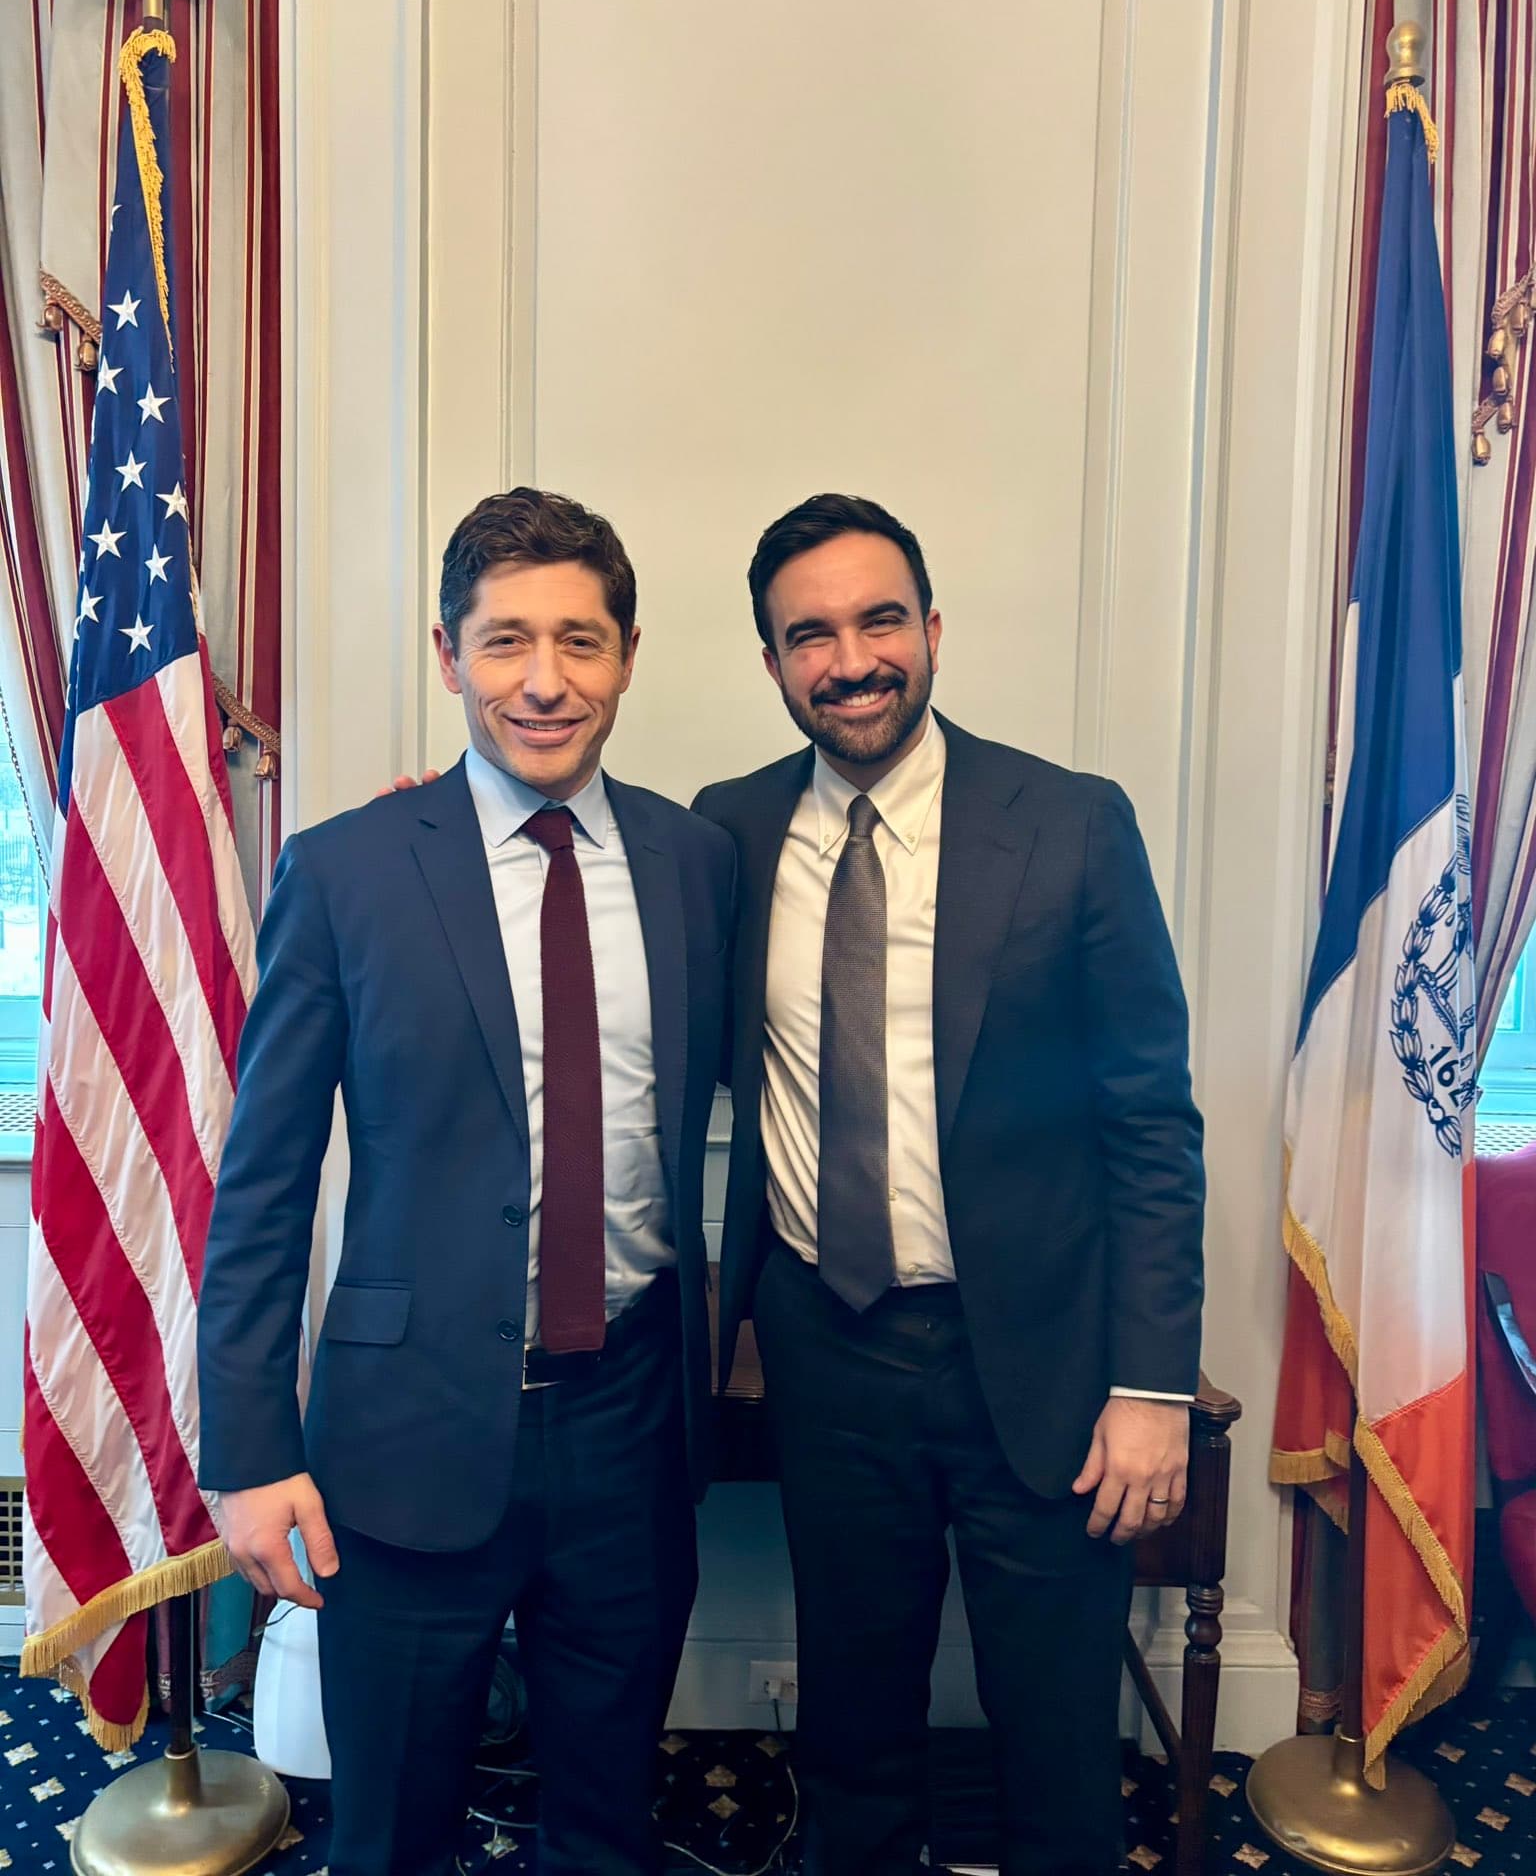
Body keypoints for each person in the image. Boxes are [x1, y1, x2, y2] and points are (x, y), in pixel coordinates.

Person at [197, 489, 735, 1876]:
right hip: (406, 1437)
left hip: (632, 1423)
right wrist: (249, 1452)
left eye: (579, 641)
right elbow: (261, 1186)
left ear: (627, 657)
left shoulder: (696, 865)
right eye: (505, 641)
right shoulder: (348, 872)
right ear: (448, 656)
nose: (543, 681)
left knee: (610, 1819)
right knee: (390, 1832)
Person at [692, 493, 1206, 1876]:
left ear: (931, 630)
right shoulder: (727, 833)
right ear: (772, 662)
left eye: (879, 621)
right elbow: (610, 958)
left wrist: (1153, 1387)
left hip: (1037, 1361)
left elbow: (1151, 1125)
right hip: (826, 1347)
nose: (851, 660)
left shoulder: (1072, 824)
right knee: (853, 1724)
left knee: (1055, 1734)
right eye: (811, 635)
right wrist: (450, 827)